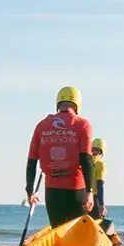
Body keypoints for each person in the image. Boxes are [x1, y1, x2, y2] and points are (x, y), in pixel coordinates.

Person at [25, 86, 96, 229]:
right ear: (77, 103)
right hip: (76, 191)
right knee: (78, 234)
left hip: (52, 193)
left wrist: (30, 191)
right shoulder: (82, 124)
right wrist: (90, 191)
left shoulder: (42, 125)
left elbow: (31, 162)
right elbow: (86, 159)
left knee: (58, 232)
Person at [89, 139, 109, 225]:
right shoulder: (100, 164)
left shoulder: (84, 162)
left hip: (82, 197)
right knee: (97, 224)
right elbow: (100, 185)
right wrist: (102, 205)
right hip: (94, 199)